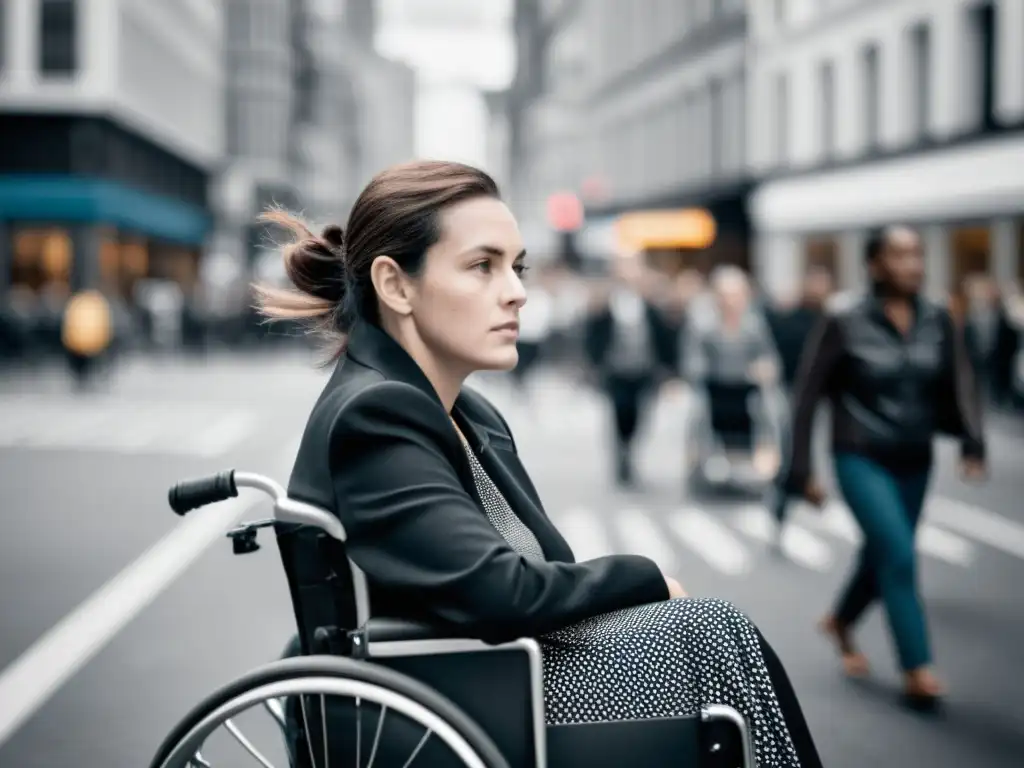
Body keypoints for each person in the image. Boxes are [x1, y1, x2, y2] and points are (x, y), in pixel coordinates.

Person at [260, 160, 823, 768]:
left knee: (712, 636)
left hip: (500, 672)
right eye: (483, 266)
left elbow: (542, 567)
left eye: (516, 266)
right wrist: (644, 576)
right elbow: (496, 590)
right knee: (711, 633)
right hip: (477, 693)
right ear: (396, 286)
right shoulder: (379, 412)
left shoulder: (461, 408)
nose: (517, 291)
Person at [784, 225, 986, 709]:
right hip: (859, 454)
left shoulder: (938, 315)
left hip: (916, 457)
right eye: (899, 255)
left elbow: (960, 379)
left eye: (916, 254)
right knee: (897, 552)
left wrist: (972, 444)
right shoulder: (843, 317)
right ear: (874, 265)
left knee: (882, 554)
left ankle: (841, 621)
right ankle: (917, 666)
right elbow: (806, 398)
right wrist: (800, 471)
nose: (913, 264)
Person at [582, 254, 678, 486]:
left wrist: (668, 368)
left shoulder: (649, 305)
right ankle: (621, 456)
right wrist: (595, 363)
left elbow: (663, 336)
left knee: (640, 415)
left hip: (643, 369)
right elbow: (593, 334)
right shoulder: (606, 304)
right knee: (618, 413)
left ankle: (630, 451)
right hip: (616, 370)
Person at [683, 266, 786, 479]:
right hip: (715, 387)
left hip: (747, 389)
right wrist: (702, 372)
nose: (730, 301)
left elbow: (769, 356)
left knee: (772, 404)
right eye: (725, 296)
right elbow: (692, 360)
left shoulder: (754, 325)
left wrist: (765, 368)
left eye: (736, 295)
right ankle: (699, 456)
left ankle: (767, 453)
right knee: (697, 406)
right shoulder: (703, 326)